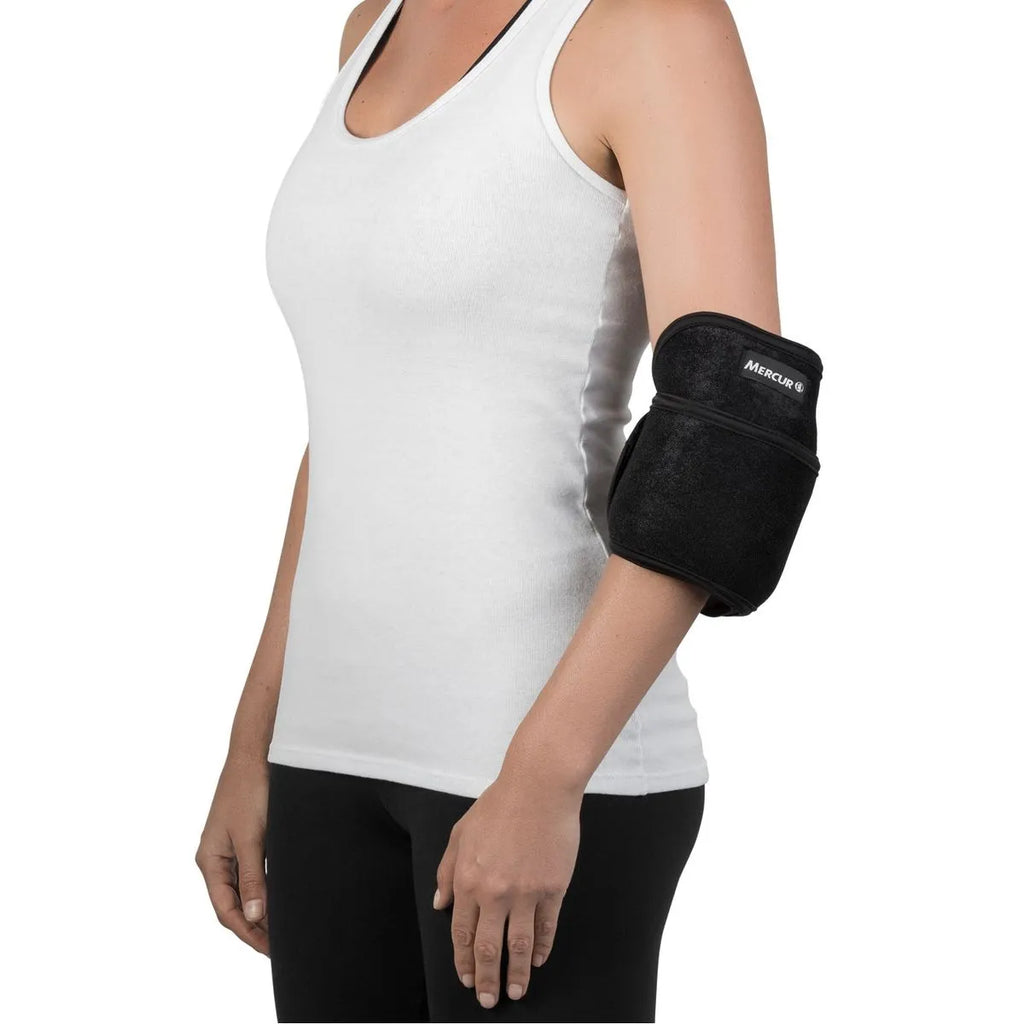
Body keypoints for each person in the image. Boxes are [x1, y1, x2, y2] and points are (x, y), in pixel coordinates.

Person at [196, 0, 804, 1020]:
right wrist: (252, 742)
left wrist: (543, 774)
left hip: (542, 762)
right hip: (323, 753)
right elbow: (352, 430)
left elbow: (734, 431)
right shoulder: (370, 28)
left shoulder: (650, 26)